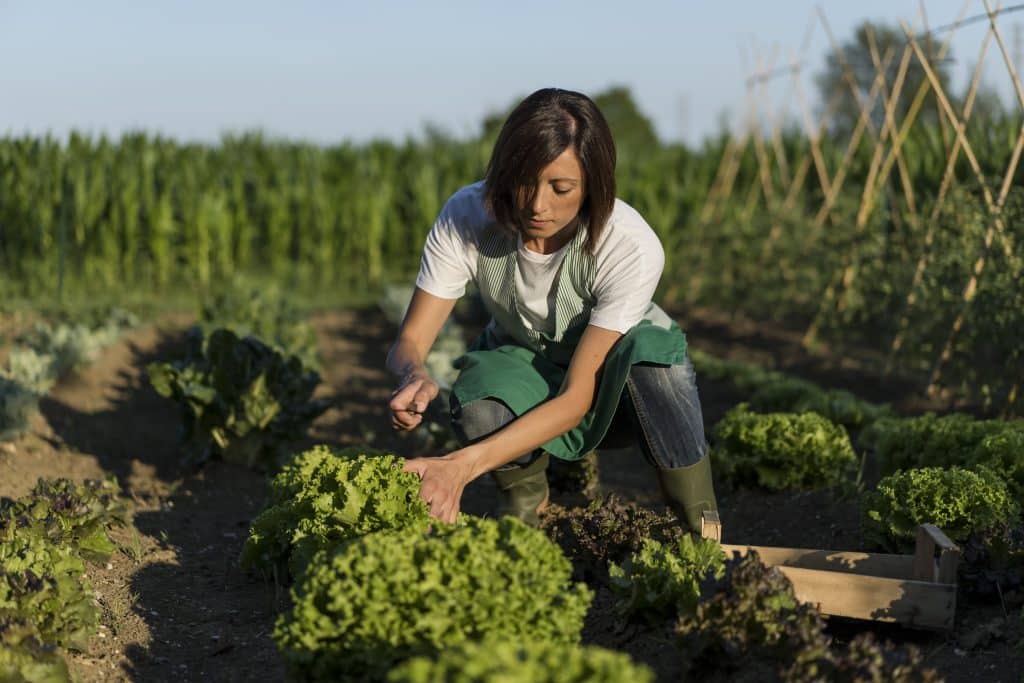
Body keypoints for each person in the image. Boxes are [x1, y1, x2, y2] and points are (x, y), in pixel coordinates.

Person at [386, 87, 716, 532]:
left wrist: (459, 467)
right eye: (524, 182)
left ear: (593, 186)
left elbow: (577, 399)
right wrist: (415, 374)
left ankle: (698, 521)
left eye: (561, 188)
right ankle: (527, 513)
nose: (538, 205)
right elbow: (410, 341)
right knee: (479, 398)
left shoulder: (628, 246)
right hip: (526, 359)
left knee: (659, 369)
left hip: (613, 376)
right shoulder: (466, 217)